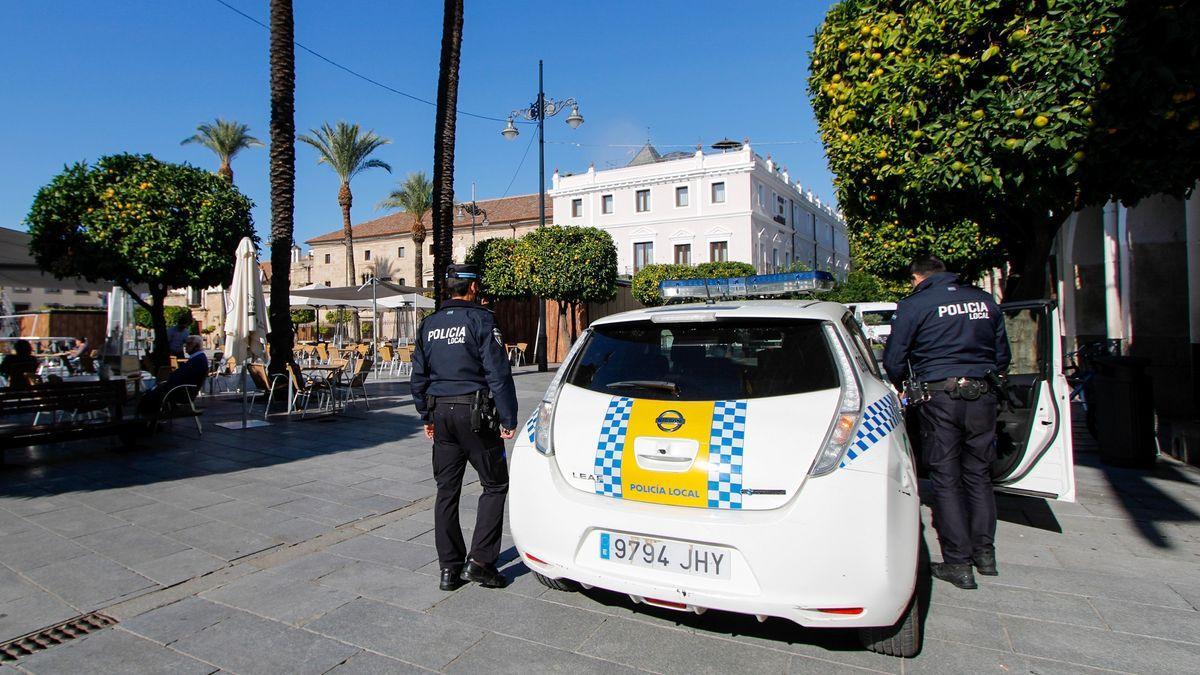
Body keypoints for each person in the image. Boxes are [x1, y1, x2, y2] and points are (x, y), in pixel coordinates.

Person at [883, 256, 1011, 591]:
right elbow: (1002, 356)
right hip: (982, 394)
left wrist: (905, 383)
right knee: (979, 475)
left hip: (939, 397)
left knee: (946, 478)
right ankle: (985, 556)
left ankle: (958, 563)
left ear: (917, 276)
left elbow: (894, 358)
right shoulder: (985, 301)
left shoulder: (916, 304)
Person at [410, 264, 518, 591]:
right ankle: (481, 562)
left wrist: (426, 417)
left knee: (446, 491)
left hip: (441, 414)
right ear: (472, 289)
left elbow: (418, 377)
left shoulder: (428, 325)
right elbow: (497, 372)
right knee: (495, 484)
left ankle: (449, 569)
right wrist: (508, 417)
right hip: (474, 413)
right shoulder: (482, 320)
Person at [138, 335, 208, 419]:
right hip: (179, 389)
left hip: (182, 391)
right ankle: (150, 422)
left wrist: (169, 380)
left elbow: (183, 376)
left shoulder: (198, 360)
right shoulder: (197, 358)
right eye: (185, 343)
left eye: (189, 344)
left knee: (148, 398)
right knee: (149, 395)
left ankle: (148, 423)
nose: (185, 346)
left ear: (196, 346)